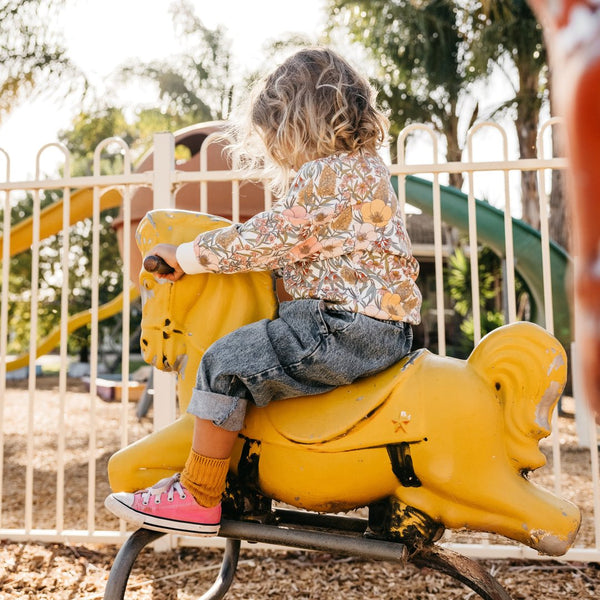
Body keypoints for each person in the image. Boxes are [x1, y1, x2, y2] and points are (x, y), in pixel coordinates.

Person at [104, 47, 422, 536]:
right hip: (385, 328)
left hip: (337, 327)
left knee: (223, 362)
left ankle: (198, 493)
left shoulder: (324, 175)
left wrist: (186, 255)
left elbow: (269, 237)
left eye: (275, 137)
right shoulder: (369, 169)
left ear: (297, 123)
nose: (276, 151)